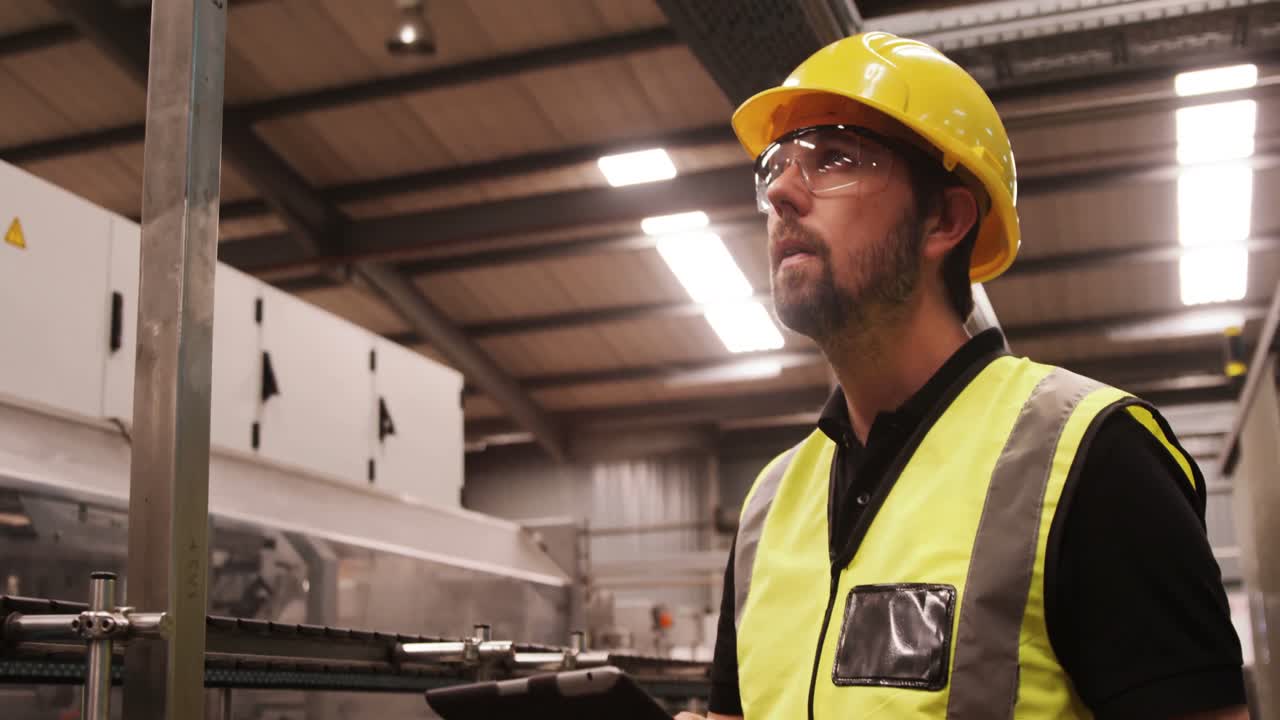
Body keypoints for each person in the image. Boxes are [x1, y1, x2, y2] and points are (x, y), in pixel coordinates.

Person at [675, 31, 1247, 720]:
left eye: (835, 158)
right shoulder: (767, 511)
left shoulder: (1092, 459)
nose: (785, 194)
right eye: (777, 166)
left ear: (945, 218)